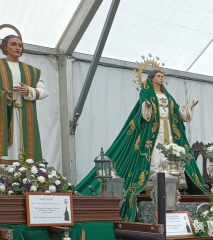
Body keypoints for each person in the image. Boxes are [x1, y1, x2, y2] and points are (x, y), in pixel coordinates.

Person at [77, 67, 206, 221]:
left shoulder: (167, 95)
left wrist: (188, 108)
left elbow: (177, 112)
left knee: (172, 154)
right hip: (154, 132)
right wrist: (148, 106)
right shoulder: (146, 93)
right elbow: (143, 109)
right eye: (158, 76)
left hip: (169, 131)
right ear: (151, 78)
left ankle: (173, 185)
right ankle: (151, 184)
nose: (161, 78)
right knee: (155, 156)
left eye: (162, 76)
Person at [0, 26, 49, 174]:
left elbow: (44, 91)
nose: (18, 47)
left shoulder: (31, 70)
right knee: (9, 147)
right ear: (4, 47)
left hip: (26, 116)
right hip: (4, 113)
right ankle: (0, 179)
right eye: (13, 44)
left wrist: (30, 91)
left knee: (25, 147)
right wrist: (3, 95)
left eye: (20, 45)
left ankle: (27, 177)